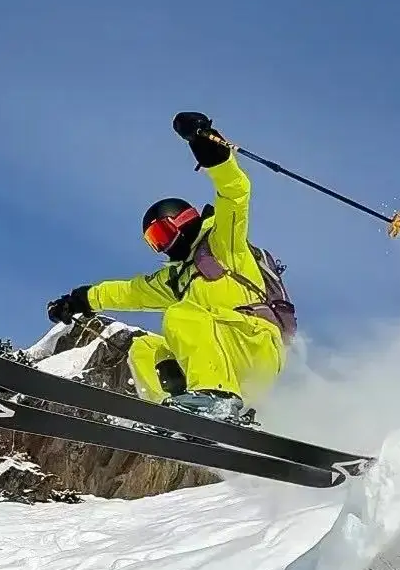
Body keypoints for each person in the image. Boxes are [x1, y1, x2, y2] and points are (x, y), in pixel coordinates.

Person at [46, 113, 289, 421]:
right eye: (154, 242)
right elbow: (129, 292)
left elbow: (235, 192)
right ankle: (170, 417)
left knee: (180, 315)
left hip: (255, 341)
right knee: (145, 348)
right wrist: (80, 300)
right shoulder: (176, 279)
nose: (162, 245)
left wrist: (207, 147)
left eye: (162, 233)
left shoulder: (222, 242)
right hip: (223, 354)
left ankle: (217, 399)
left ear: (183, 221)